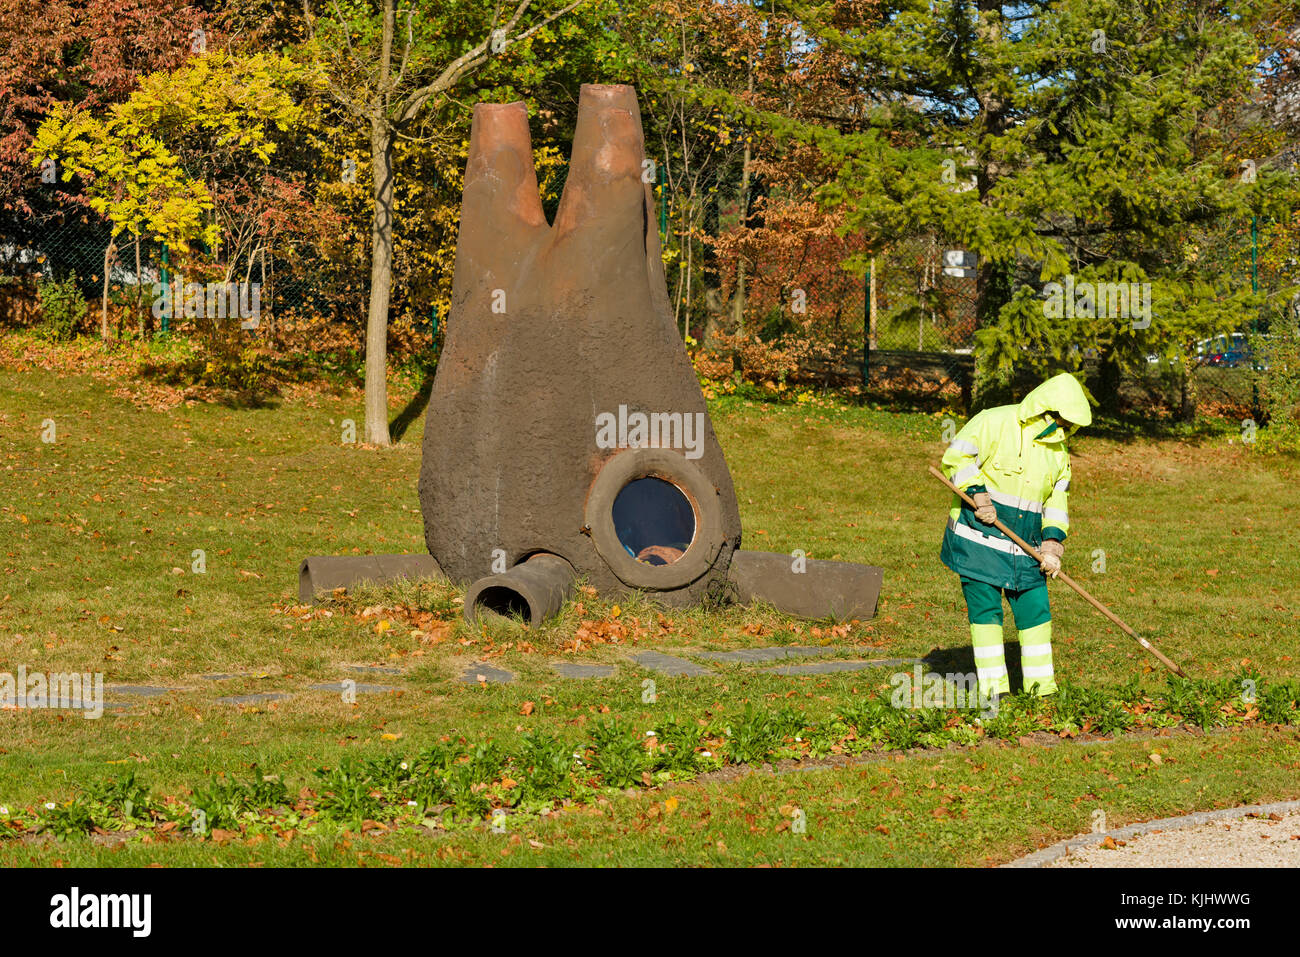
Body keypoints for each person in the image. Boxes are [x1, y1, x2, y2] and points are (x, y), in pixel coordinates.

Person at [939, 373, 1092, 702]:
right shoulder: (994, 421)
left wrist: (1052, 546)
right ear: (1044, 411)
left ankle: (1042, 692)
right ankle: (996, 693)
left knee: (1036, 612)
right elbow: (957, 457)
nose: (1064, 430)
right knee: (986, 612)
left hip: (1026, 548)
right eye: (1061, 421)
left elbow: (1056, 501)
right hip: (979, 540)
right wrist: (979, 496)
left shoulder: (1058, 452)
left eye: (1069, 425)